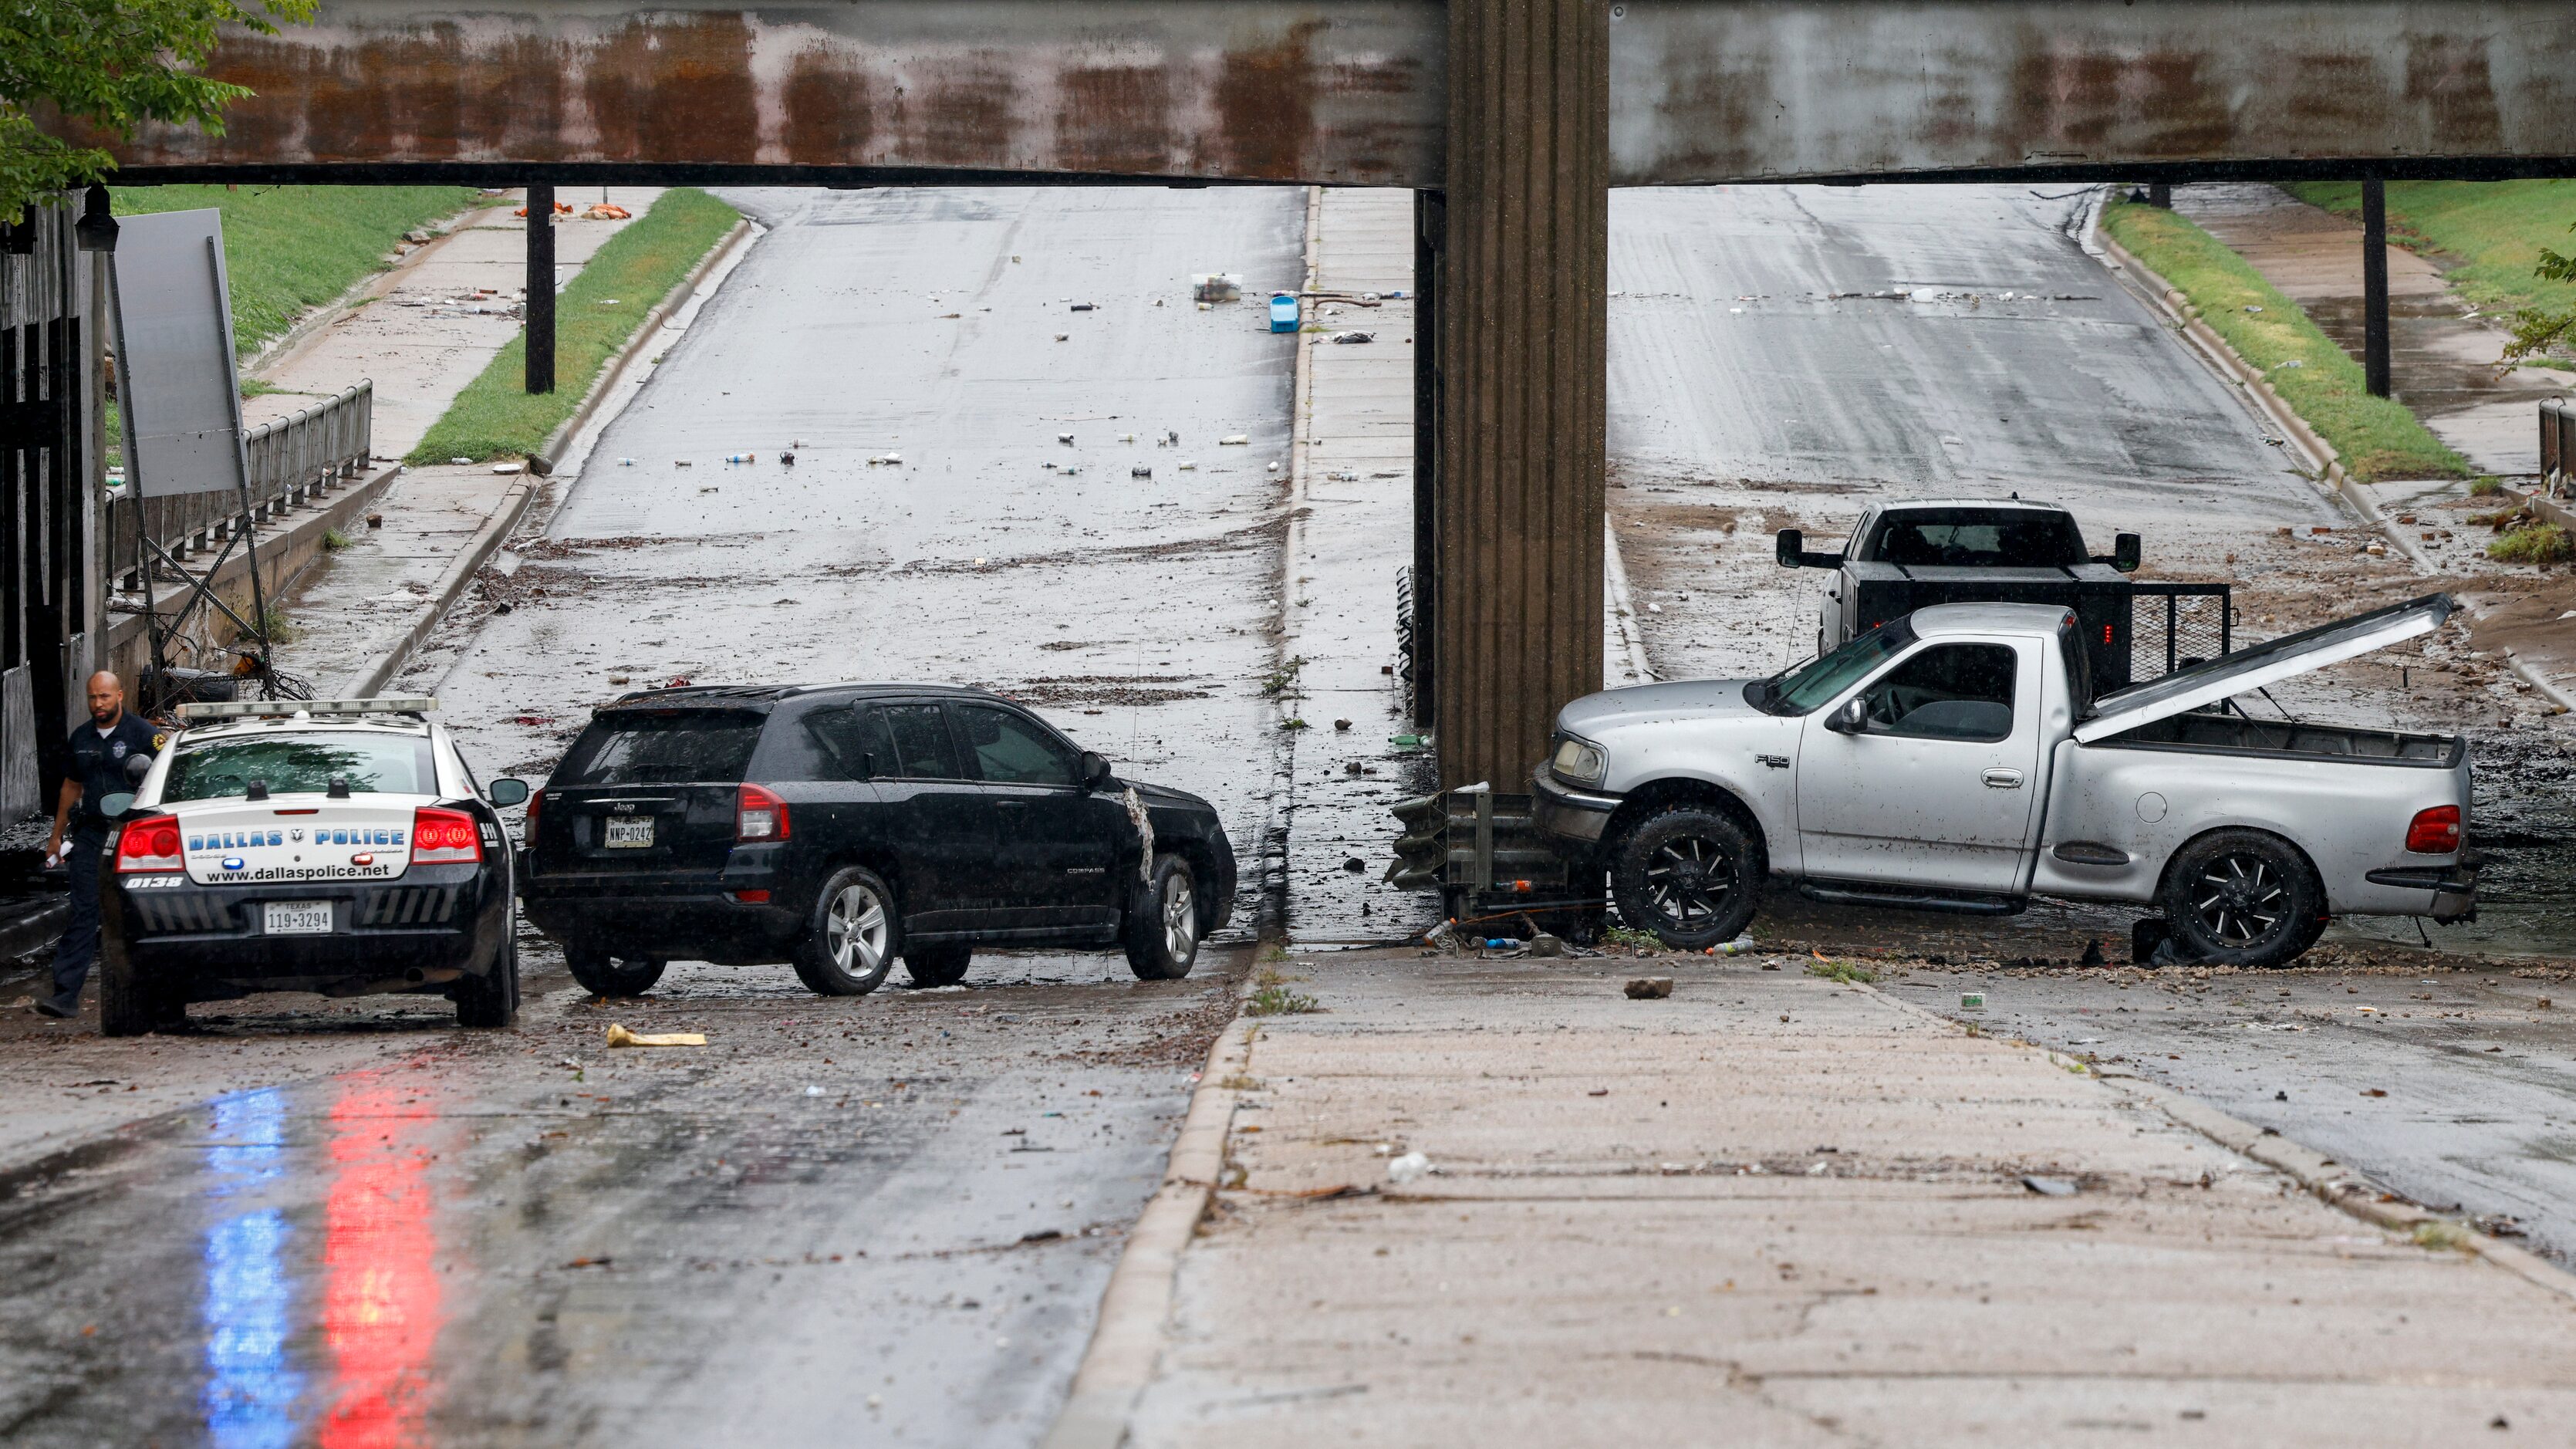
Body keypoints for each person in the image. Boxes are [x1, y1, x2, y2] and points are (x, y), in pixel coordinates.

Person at [34, 673, 161, 1019]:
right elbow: (71, 787)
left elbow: (167, 779)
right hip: (91, 835)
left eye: (104, 697)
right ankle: (64, 996)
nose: (98, 704)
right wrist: (56, 837)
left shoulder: (146, 736)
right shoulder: (81, 738)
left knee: (143, 912)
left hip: (133, 836)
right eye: (92, 698)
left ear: (119, 695)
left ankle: (156, 993)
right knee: (84, 912)